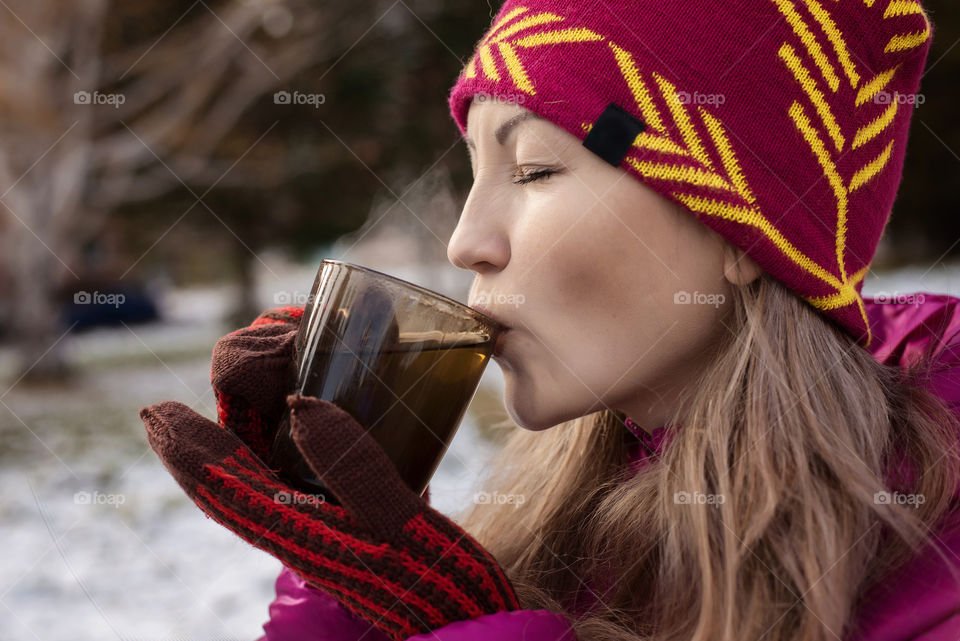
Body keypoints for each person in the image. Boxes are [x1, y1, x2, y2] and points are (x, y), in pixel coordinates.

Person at [139, 1, 960, 640]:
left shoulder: (929, 571)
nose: (466, 241)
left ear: (744, 233)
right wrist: (351, 584)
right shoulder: (554, 525)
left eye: (533, 168)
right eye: (473, 171)